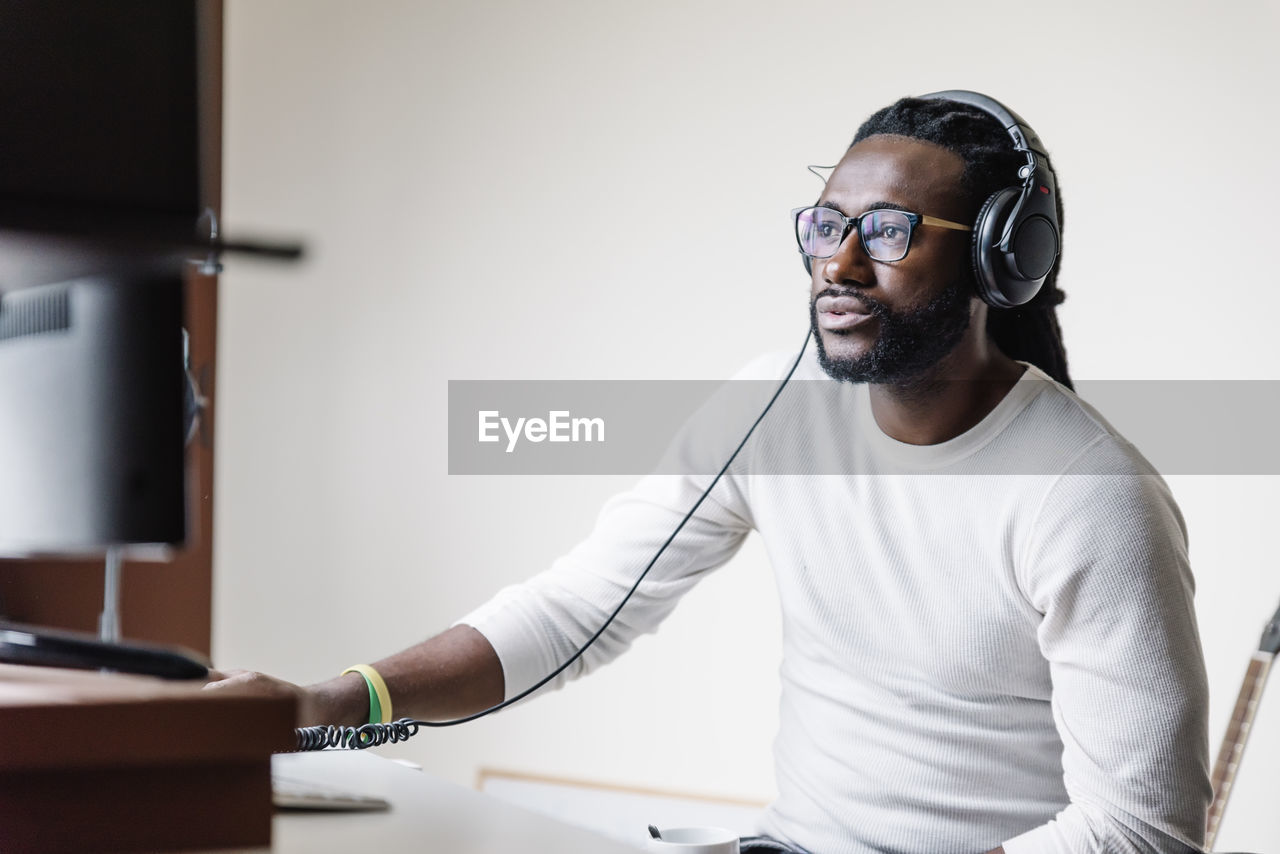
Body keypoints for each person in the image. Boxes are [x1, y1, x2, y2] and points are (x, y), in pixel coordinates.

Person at [208, 94, 1211, 854]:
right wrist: (331, 702)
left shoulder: (1085, 493)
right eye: (825, 225)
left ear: (1003, 261)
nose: (839, 265)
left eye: (889, 232)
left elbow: (1140, 829)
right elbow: (578, 610)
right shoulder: (768, 410)